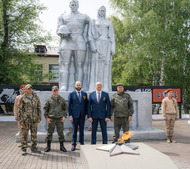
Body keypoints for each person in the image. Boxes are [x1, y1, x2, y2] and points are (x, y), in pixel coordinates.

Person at [57, 0, 90, 91]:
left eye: (75, 4)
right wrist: (61, 33)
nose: (74, 5)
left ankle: (79, 85)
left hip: (79, 41)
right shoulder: (63, 16)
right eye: (72, 4)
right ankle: (64, 85)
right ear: (69, 5)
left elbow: (92, 25)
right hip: (67, 41)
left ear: (78, 5)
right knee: (65, 64)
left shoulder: (84, 17)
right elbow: (58, 30)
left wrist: (87, 34)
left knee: (79, 65)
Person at [88, 6, 115, 91]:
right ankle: (93, 87)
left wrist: (113, 48)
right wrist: (92, 46)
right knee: (95, 66)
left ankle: (106, 86)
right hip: (97, 44)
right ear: (98, 11)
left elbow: (112, 37)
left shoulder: (109, 23)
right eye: (101, 10)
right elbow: (90, 35)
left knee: (106, 65)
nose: (102, 12)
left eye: (104, 11)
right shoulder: (93, 21)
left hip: (106, 45)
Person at [18, 84, 41, 156]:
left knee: (34, 134)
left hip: (34, 119)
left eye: (30, 88)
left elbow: (39, 108)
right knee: (24, 135)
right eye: (28, 89)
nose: (30, 90)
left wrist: (39, 117)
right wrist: (21, 120)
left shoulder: (36, 97)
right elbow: (20, 110)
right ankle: (24, 148)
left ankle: (34, 147)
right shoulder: (22, 98)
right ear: (26, 90)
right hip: (25, 120)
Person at [43, 86, 67, 152]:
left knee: (61, 133)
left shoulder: (62, 99)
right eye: (54, 90)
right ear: (52, 91)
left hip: (59, 119)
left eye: (56, 90)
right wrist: (47, 118)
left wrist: (64, 116)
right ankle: (48, 146)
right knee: (49, 133)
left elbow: (65, 109)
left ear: (58, 91)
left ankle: (62, 146)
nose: (55, 91)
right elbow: (45, 109)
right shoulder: (49, 100)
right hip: (51, 119)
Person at [68, 81, 88, 151]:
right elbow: (69, 106)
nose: (78, 86)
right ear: (75, 86)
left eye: (79, 85)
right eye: (77, 85)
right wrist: (70, 115)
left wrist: (86, 114)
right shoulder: (71, 94)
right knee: (74, 131)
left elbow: (86, 105)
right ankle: (74, 145)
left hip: (82, 116)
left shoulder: (84, 94)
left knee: (82, 131)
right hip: (74, 116)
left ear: (81, 86)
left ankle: (82, 144)